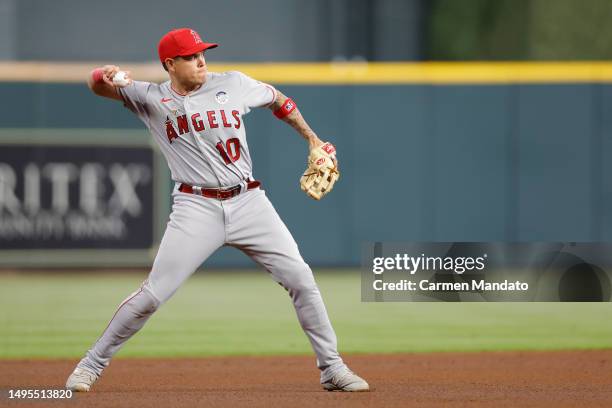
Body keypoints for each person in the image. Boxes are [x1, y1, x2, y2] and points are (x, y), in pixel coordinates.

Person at [65, 28, 369, 393]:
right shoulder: (149, 96)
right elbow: (97, 84)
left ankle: (332, 368)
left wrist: (312, 138)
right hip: (196, 207)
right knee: (152, 295)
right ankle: (90, 365)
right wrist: (105, 74)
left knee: (301, 279)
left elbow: (279, 101)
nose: (201, 60)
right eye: (192, 56)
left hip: (248, 201)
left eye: (202, 53)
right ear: (170, 64)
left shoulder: (234, 84)